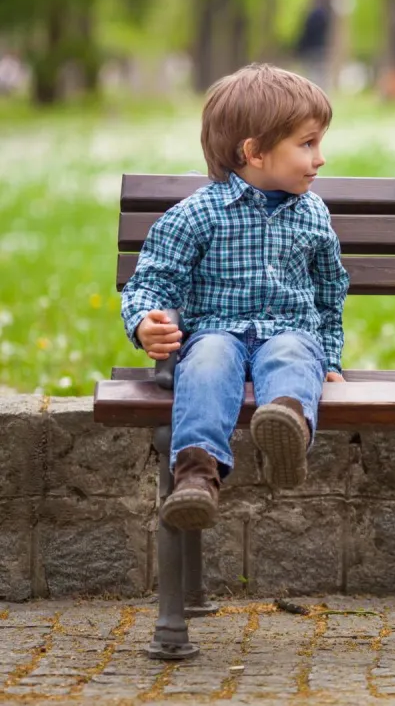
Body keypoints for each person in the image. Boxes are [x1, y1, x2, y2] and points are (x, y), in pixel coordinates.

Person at [120, 64, 349, 531]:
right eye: (307, 144)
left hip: (289, 331)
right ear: (255, 152)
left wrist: (330, 357)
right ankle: (197, 476)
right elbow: (151, 282)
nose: (320, 157)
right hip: (215, 331)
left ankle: (287, 428)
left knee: (291, 354)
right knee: (205, 364)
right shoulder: (196, 214)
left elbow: (329, 293)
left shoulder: (313, 214)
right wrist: (146, 322)